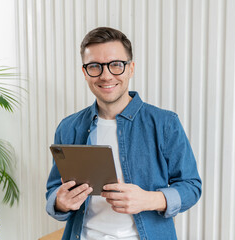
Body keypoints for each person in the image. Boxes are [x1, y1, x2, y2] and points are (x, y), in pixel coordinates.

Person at [46, 27, 202, 240]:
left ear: (131, 68)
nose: (106, 75)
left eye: (116, 65)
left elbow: (191, 187)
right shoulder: (68, 127)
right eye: (95, 66)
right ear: (85, 72)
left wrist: (149, 199)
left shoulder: (165, 123)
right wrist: (60, 202)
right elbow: (54, 190)